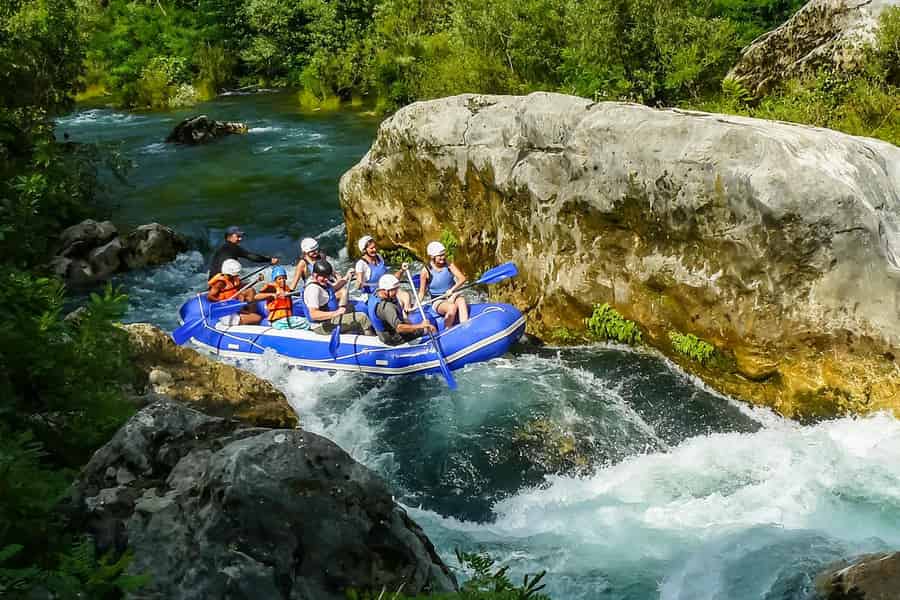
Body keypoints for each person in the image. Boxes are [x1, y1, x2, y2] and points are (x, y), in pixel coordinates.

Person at [303, 260, 374, 335]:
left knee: (362, 308)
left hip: (332, 316)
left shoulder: (321, 281)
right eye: (323, 276)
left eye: (327, 276)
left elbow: (334, 288)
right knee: (362, 318)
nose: (326, 279)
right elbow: (313, 315)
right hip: (323, 325)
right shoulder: (313, 289)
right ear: (314, 274)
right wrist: (336, 313)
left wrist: (347, 277)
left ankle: (369, 328)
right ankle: (371, 338)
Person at [370, 274, 436, 345]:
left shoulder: (376, 294)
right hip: (392, 337)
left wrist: (402, 270)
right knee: (428, 328)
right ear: (385, 291)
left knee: (410, 322)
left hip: (386, 329)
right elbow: (399, 328)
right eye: (394, 290)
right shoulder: (387, 307)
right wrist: (421, 326)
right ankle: (434, 343)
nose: (397, 292)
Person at [354, 235, 413, 312]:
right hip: (373, 296)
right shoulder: (361, 264)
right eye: (371, 248)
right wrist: (359, 283)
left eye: (375, 247)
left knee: (406, 295)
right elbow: (358, 286)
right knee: (396, 303)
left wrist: (402, 270)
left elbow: (390, 279)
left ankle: (406, 314)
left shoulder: (379, 257)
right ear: (364, 250)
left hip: (386, 291)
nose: (375, 250)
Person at [418, 241, 469, 329]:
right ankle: (447, 330)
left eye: (443, 254)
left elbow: (462, 278)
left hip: (452, 295)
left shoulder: (449, 265)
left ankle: (465, 327)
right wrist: (415, 306)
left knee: (461, 301)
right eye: (440, 256)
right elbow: (421, 293)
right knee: (452, 307)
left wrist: (452, 290)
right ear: (432, 257)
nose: (443, 257)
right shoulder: (425, 271)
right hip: (438, 300)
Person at [208, 226, 278, 280]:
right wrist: (269, 260)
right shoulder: (233, 247)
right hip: (222, 283)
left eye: (241, 236)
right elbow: (252, 257)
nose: (240, 239)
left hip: (213, 281)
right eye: (238, 236)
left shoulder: (221, 248)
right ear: (229, 237)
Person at [207, 258, 261, 325]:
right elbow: (210, 296)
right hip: (227, 309)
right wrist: (223, 302)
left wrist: (256, 281)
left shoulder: (233, 279)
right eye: (236, 273)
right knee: (257, 318)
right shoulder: (220, 282)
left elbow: (241, 286)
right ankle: (248, 317)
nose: (238, 275)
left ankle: (250, 313)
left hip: (235, 304)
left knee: (251, 290)